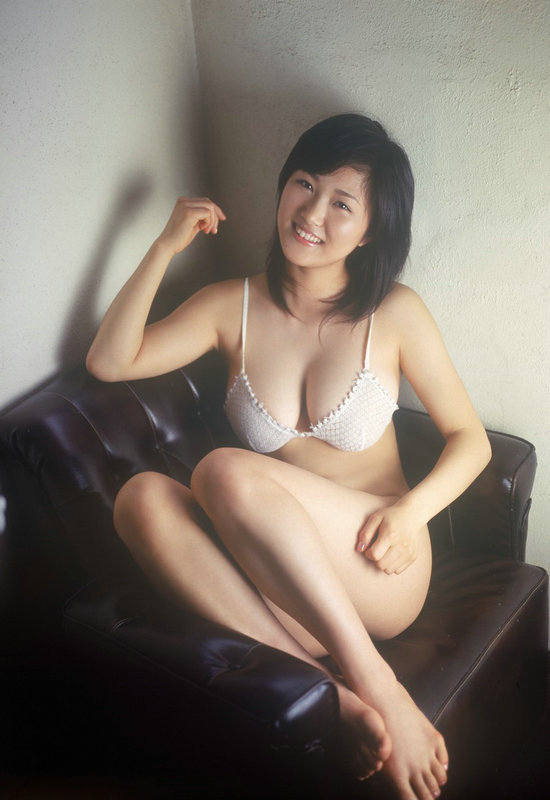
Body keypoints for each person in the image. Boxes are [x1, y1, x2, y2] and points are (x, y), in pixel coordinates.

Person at [86, 114, 491, 800]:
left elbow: (470, 439)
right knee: (140, 499)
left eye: (342, 203)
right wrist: (163, 246)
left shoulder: (394, 313)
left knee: (221, 471)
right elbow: (109, 360)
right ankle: (327, 690)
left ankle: (378, 682)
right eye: (304, 183)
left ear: (371, 231)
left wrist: (410, 514)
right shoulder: (230, 306)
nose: (311, 212)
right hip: (286, 578)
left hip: (377, 560)